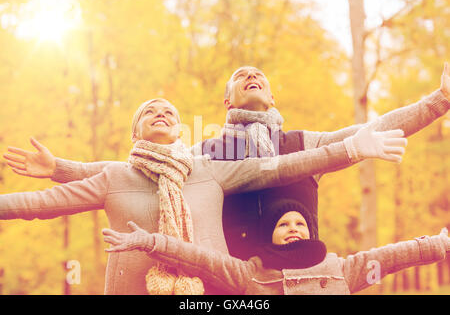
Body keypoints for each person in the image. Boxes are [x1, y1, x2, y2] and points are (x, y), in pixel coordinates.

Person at [4, 63, 450, 260]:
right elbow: (134, 173)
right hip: (228, 279)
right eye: (241, 77)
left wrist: (440, 100)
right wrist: (62, 168)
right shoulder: (204, 154)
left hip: (294, 269)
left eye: (259, 76)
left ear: (273, 97)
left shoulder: (302, 142)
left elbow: (372, 130)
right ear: (226, 100)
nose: (251, 77)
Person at [0, 98, 406, 295]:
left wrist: (354, 148)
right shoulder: (114, 176)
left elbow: (285, 165)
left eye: (170, 112)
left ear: (180, 133)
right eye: (149, 111)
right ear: (135, 133)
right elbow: (37, 205)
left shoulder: (210, 169)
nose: (160, 112)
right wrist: (56, 169)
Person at [102, 198, 450, 295]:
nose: (293, 229)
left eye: (299, 223)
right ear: (269, 235)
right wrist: (150, 241)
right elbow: (198, 259)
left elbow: (389, 258)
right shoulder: (249, 274)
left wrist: (438, 244)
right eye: (283, 225)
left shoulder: (341, 270)